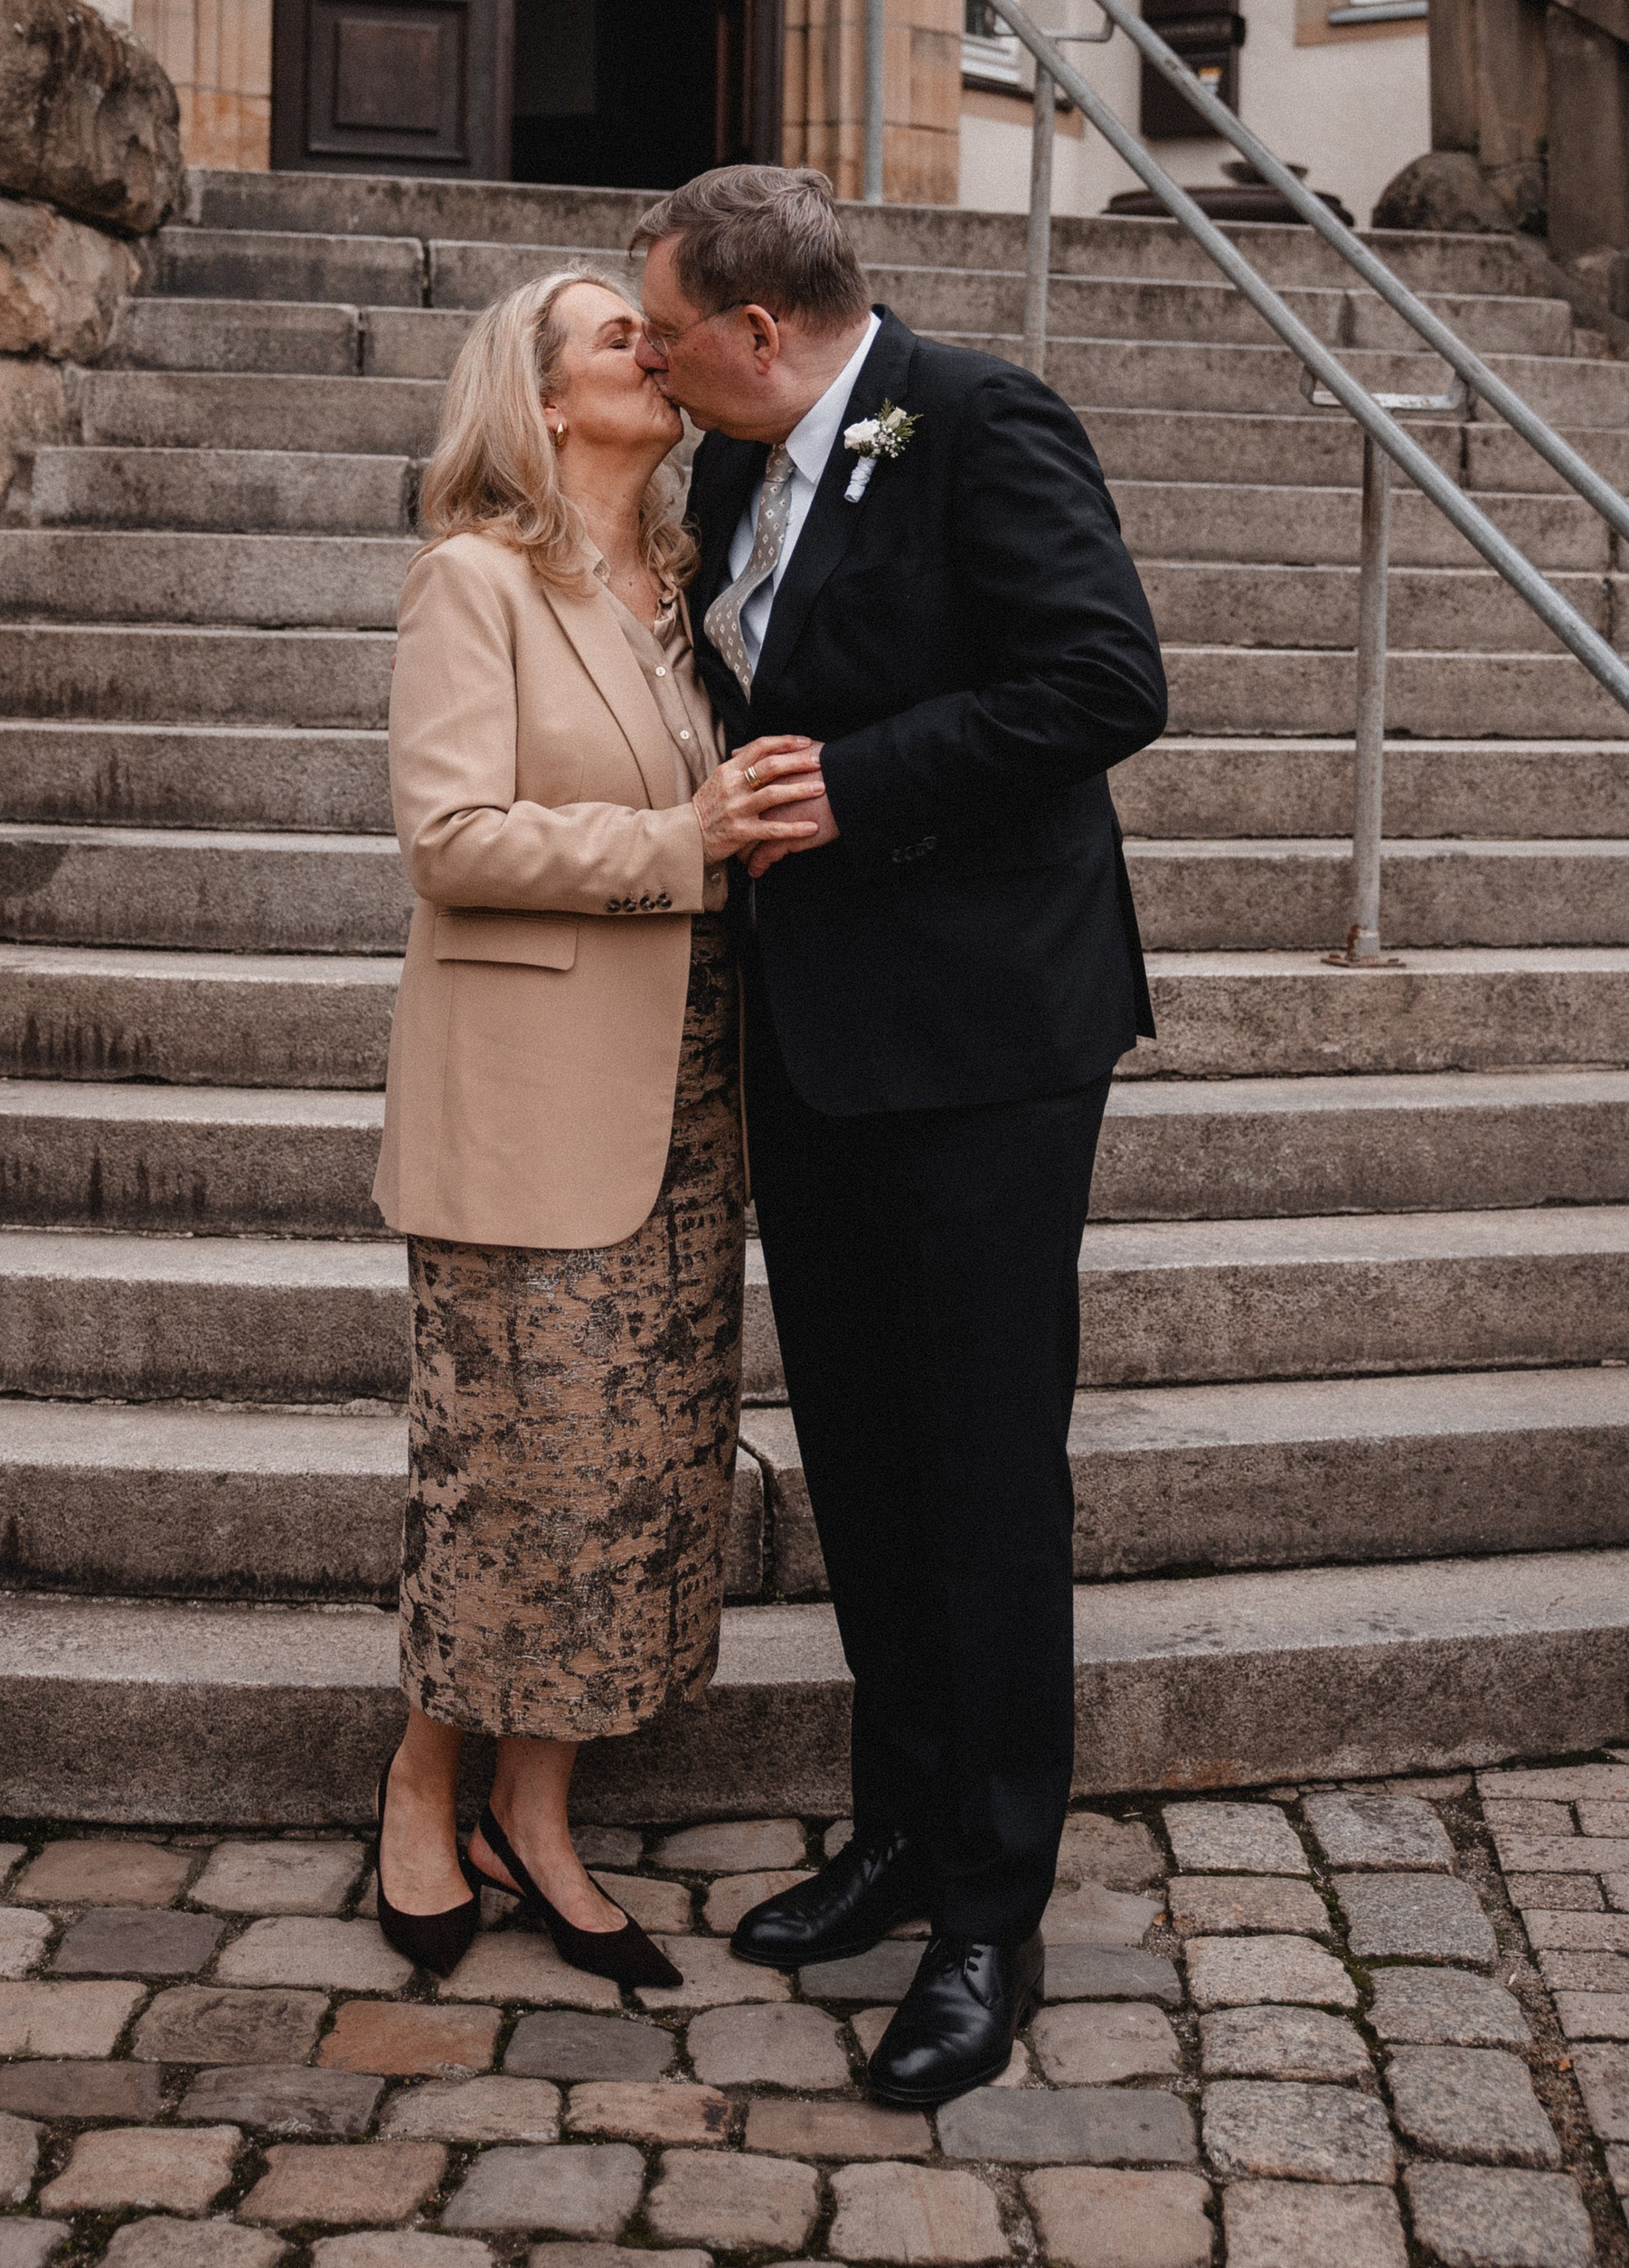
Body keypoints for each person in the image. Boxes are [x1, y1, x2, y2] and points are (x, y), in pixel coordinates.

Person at [631, 164, 1168, 2106]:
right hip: (817, 1039)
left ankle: (989, 1911)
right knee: (861, 1454)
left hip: (983, 1046)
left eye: (669, 339)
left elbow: (1106, 682)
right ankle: (899, 1828)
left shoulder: (980, 418)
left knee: (978, 1471)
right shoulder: (726, 473)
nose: (657, 371)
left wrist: (855, 787)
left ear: (759, 333)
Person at [371, 266, 830, 1985]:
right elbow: (453, 838)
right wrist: (686, 843)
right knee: (507, 1482)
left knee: (634, 1485)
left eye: (656, 331)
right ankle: (425, 1782)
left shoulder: (687, 595)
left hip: (688, 1116)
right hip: (526, 1117)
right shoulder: (473, 581)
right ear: (546, 398)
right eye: (618, 335)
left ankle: (537, 1815)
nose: (659, 345)